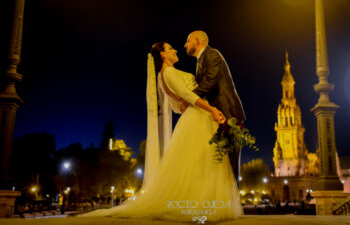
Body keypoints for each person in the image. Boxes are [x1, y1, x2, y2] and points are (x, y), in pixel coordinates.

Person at [80, 41, 243, 222]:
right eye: (170, 48)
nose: (175, 50)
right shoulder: (169, 72)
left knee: (200, 163)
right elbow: (188, 96)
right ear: (163, 55)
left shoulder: (164, 75)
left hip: (196, 116)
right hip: (198, 117)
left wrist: (188, 103)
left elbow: (177, 105)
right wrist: (211, 109)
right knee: (202, 162)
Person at [183, 31, 245, 184]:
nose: (185, 45)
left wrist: (188, 98)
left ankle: (231, 203)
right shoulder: (200, 60)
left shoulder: (212, 54)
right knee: (222, 164)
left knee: (230, 165)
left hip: (228, 114)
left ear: (198, 41)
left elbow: (210, 82)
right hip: (218, 115)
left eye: (188, 41)